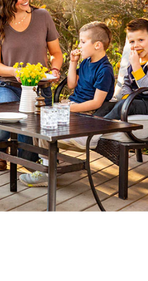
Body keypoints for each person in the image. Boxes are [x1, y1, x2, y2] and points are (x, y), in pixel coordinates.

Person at [20, 21, 115, 187]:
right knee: (36, 120)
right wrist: (73, 62)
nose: (79, 45)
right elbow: (71, 84)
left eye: (83, 42)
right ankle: (47, 164)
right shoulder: (86, 62)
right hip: (73, 107)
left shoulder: (104, 70)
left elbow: (96, 102)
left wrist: (68, 108)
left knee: (45, 123)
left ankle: (47, 170)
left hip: (87, 114)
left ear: (98, 45)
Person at [0, 0, 63, 171]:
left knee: (27, 157)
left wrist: (54, 69)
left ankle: (25, 159)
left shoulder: (42, 16)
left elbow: (56, 53)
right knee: (4, 127)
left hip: (39, 89)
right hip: (7, 84)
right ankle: (0, 148)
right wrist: (14, 71)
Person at [68, 18, 148, 152]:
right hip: (135, 99)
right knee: (106, 105)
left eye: (141, 40)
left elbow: (145, 89)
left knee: (124, 104)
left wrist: (136, 66)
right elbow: (127, 83)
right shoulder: (134, 59)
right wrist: (126, 96)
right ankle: (87, 132)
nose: (136, 45)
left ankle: (94, 135)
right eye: (132, 41)